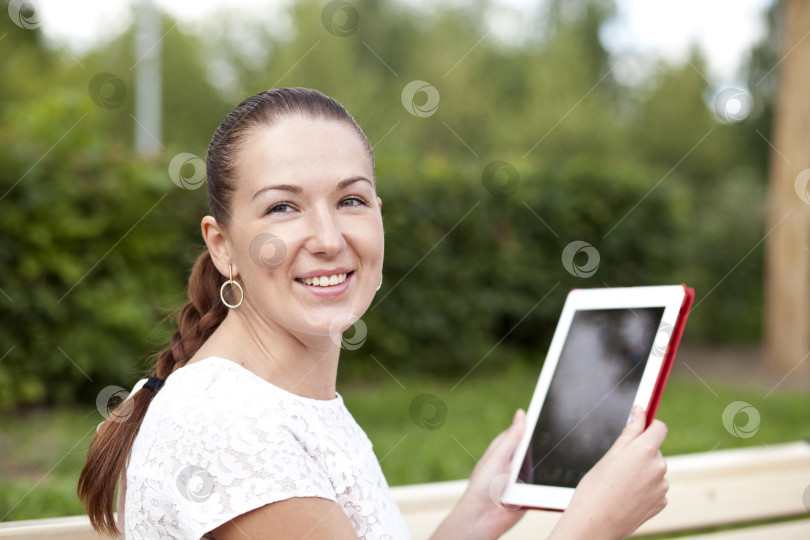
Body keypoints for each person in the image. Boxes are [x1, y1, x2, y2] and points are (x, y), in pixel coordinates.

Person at [78, 87, 668, 540]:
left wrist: (478, 514)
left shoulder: (277, 401)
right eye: (283, 207)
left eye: (351, 200)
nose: (328, 237)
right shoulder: (228, 428)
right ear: (222, 244)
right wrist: (591, 525)